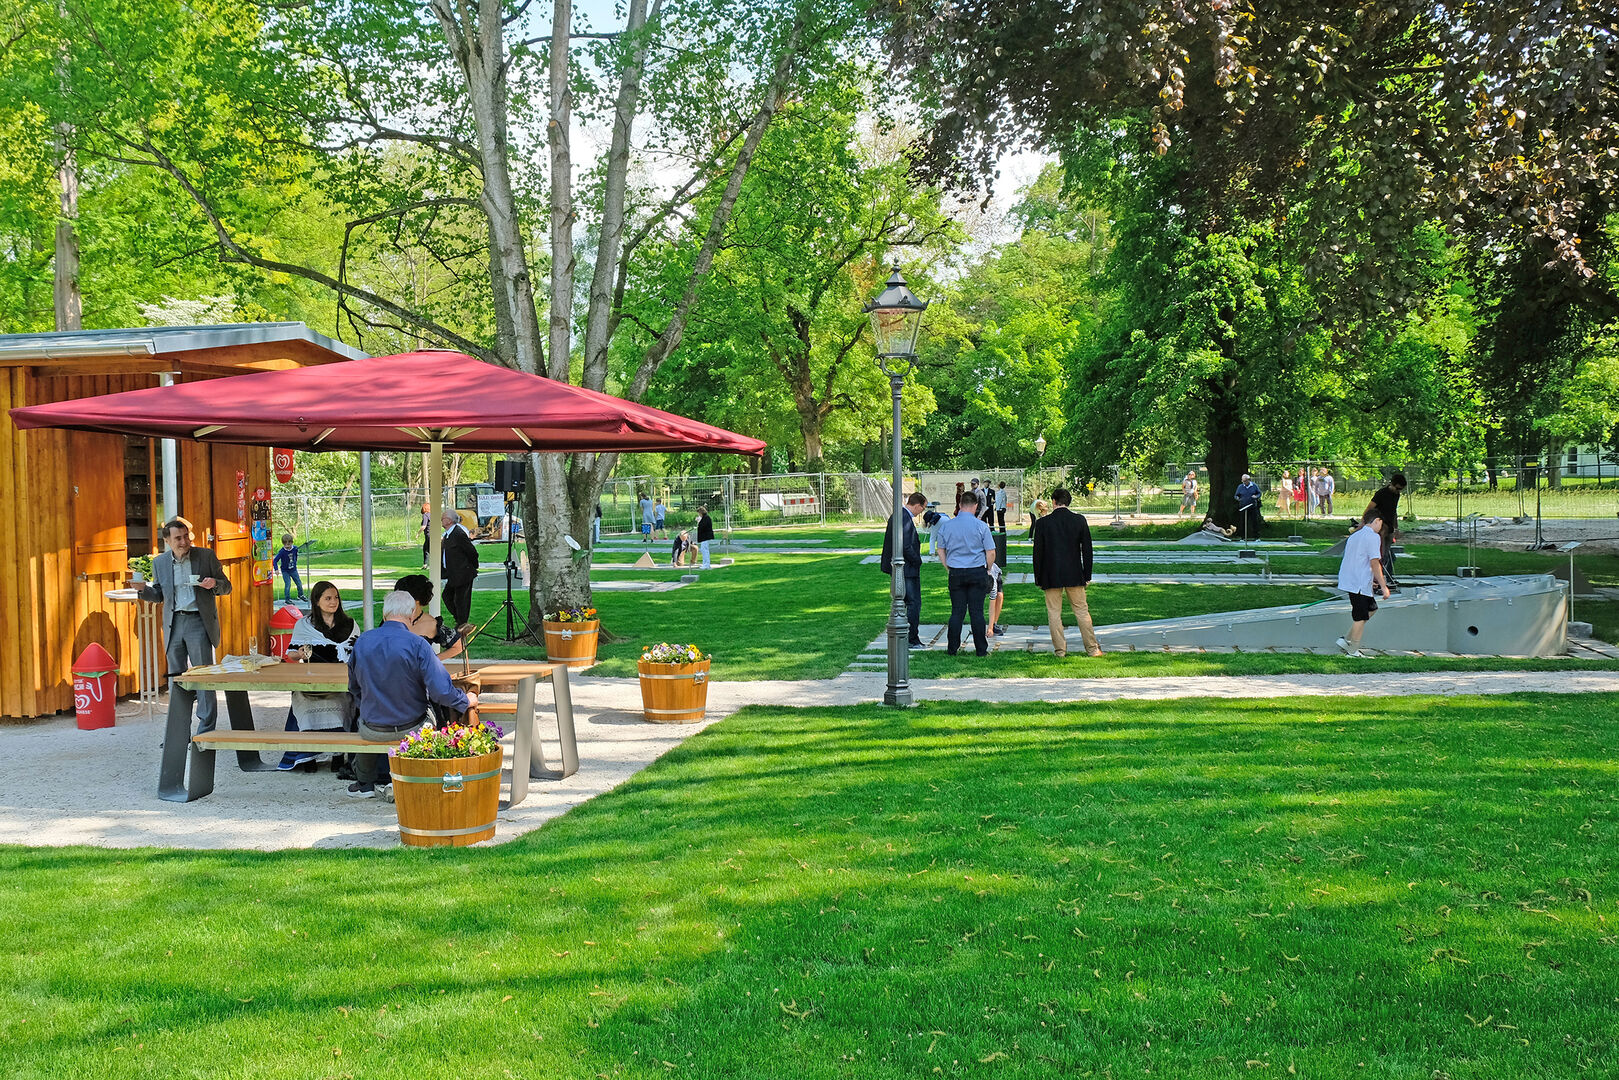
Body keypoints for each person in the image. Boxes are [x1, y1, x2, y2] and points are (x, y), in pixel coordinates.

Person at [346, 590, 478, 799]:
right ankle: (408, 778)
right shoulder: (418, 644)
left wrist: (369, 706)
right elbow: (441, 691)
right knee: (431, 715)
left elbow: (354, 687)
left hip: (372, 727)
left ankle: (365, 783)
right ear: (411, 614)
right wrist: (465, 700)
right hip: (412, 727)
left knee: (365, 722)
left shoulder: (363, 641)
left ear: (384, 613)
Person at [138, 517, 232, 734]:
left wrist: (214, 584)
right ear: (168, 542)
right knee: (176, 680)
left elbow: (227, 587)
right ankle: (179, 735)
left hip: (199, 621)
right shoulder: (160, 563)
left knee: (203, 677)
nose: (184, 541)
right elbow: (159, 594)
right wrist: (143, 589)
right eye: (178, 538)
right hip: (173, 624)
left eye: (186, 536)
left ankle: (205, 732)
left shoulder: (205, 556)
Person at [277, 580, 359, 771]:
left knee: (342, 701)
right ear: (317, 601)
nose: (333, 602)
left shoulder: (350, 625)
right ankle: (308, 756)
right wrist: (302, 652)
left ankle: (338, 755)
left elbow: (357, 652)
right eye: (328, 598)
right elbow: (290, 654)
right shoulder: (304, 625)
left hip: (340, 681)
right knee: (305, 703)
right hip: (312, 683)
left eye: (336, 597)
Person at [1031, 487, 1102, 658]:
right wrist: (1087, 574)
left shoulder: (1042, 523)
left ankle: (1060, 650)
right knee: (1082, 611)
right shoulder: (1079, 520)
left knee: (1054, 613)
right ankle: (1092, 649)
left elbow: (1037, 553)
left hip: (1050, 573)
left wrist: (1038, 577)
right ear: (1068, 502)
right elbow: (1087, 550)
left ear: (1053, 502)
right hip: (1074, 573)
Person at [933, 491, 997, 656]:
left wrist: (948, 566)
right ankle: (981, 650)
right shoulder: (981, 526)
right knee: (976, 612)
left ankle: (952, 648)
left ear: (960, 505)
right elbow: (991, 552)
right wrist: (988, 568)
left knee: (957, 612)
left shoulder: (947, 526)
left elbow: (940, 549)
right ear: (975, 506)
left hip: (956, 572)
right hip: (977, 571)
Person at [1335, 512, 1390, 657]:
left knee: (1372, 608)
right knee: (1360, 616)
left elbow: (1357, 560)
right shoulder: (1372, 536)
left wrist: (1368, 579)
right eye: (1381, 525)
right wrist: (1384, 586)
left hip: (1353, 579)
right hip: (1357, 583)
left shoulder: (1355, 536)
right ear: (1377, 521)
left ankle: (1346, 639)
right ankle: (1353, 650)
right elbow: (1374, 562)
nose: (1381, 528)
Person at [881, 491, 929, 651]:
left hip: (902, 567)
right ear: (917, 505)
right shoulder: (904, 517)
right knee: (913, 603)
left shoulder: (899, 515)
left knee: (905, 602)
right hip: (907, 568)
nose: (920, 513)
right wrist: (918, 560)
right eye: (921, 510)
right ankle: (912, 639)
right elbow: (906, 545)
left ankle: (908, 637)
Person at [440, 508, 479, 626]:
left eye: (443, 518)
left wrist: (471, 566)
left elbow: (471, 552)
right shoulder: (448, 535)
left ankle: (462, 624)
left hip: (463, 573)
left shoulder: (458, 534)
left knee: (461, 601)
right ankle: (459, 620)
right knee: (447, 596)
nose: (441, 520)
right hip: (453, 573)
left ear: (449, 521)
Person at [1368, 471, 1406, 589]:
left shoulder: (1396, 495)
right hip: (1379, 528)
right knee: (1380, 555)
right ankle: (1378, 580)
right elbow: (1369, 508)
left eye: (1400, 490)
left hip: (1389, 528)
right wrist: (1364, 524)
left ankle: (1386, 578)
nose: (1398, 491)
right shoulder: (1381, 494)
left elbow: (1394, 512)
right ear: (1392, 484)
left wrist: (1396, 528)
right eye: (1397, 488)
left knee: (1387, 555)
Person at [272, 533, 307, 603]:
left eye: (289, 545)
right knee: (288, 584)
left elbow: (295, 556)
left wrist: (295, 563)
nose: (287, 546)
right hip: (285, 571)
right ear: (283, 544)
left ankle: (301, 595)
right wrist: (276, 569)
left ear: (292, 543)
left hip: (293, 569)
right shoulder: (282, 552)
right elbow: (275, 560)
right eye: (286, 545)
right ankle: (287, 599)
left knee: (299, 583)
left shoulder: (295, 549)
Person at [1234, 473, 1263, 539]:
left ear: (1249, 480)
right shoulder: (1240, 486)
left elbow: (1259, 493)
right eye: (1242, 481)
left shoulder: (1254, 486)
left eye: (1245, 481)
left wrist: (1256, 496)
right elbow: (1236, 495)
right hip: (1243, 506)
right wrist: (1237, 498)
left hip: (1253, 506)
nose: (1244, 482)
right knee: (1243, 522)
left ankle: (1256, 537)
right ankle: (1243, 537)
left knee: (1254, 522)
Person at [695, 504, 715, 569]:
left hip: (705, 537)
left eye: (699, 513)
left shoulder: (706, 518)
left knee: (705, 550)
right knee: (703, 550)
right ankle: (704, 563)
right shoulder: (705, 518)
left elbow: (702, 527)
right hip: (704, 537)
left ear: (701, 512)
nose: (699, 515)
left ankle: (707, 564)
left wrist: (699, 521)